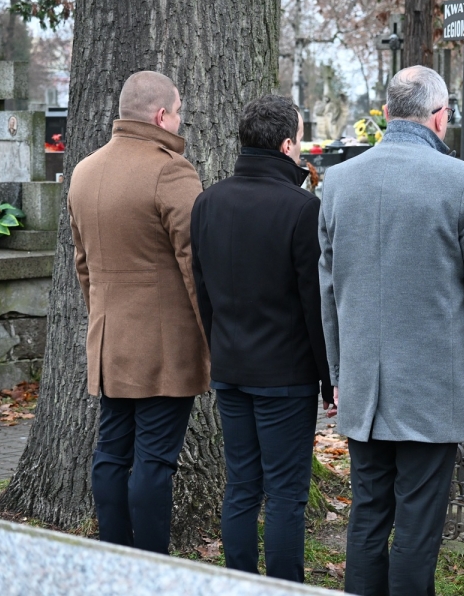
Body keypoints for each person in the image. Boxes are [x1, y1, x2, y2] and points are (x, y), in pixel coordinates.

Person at [319, 66, 464, 596]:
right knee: (416, 530)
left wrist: (337, 374)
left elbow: (329, 288)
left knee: (367, 518)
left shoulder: (338, 181)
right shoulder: (462, 180)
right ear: (440, 116)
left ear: (387, 114)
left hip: (363, 386)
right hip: (430, 390)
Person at [190, 95, 334, 582]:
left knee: (242, 487)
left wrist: (218, 350)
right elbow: (314, 304)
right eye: (301, 140)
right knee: (286, 494)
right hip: (286, 376)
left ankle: (240, 583)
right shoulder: (301, 209)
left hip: (231, 368)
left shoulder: (207, 202)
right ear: (287, 145)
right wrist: (329, 380)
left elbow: (203, 292)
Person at [67, 70, 208, 554]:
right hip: (166, 348)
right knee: (154, 461)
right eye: (179, 112)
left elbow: (83, 265)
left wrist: (104, 317)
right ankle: (151, 567)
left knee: (111, 452)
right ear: (161, 115)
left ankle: (114, 557)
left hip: (109, 341)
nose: (180, 121)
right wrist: (214, 337)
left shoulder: (84, 171)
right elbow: (196, 263)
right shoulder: (170, 171)